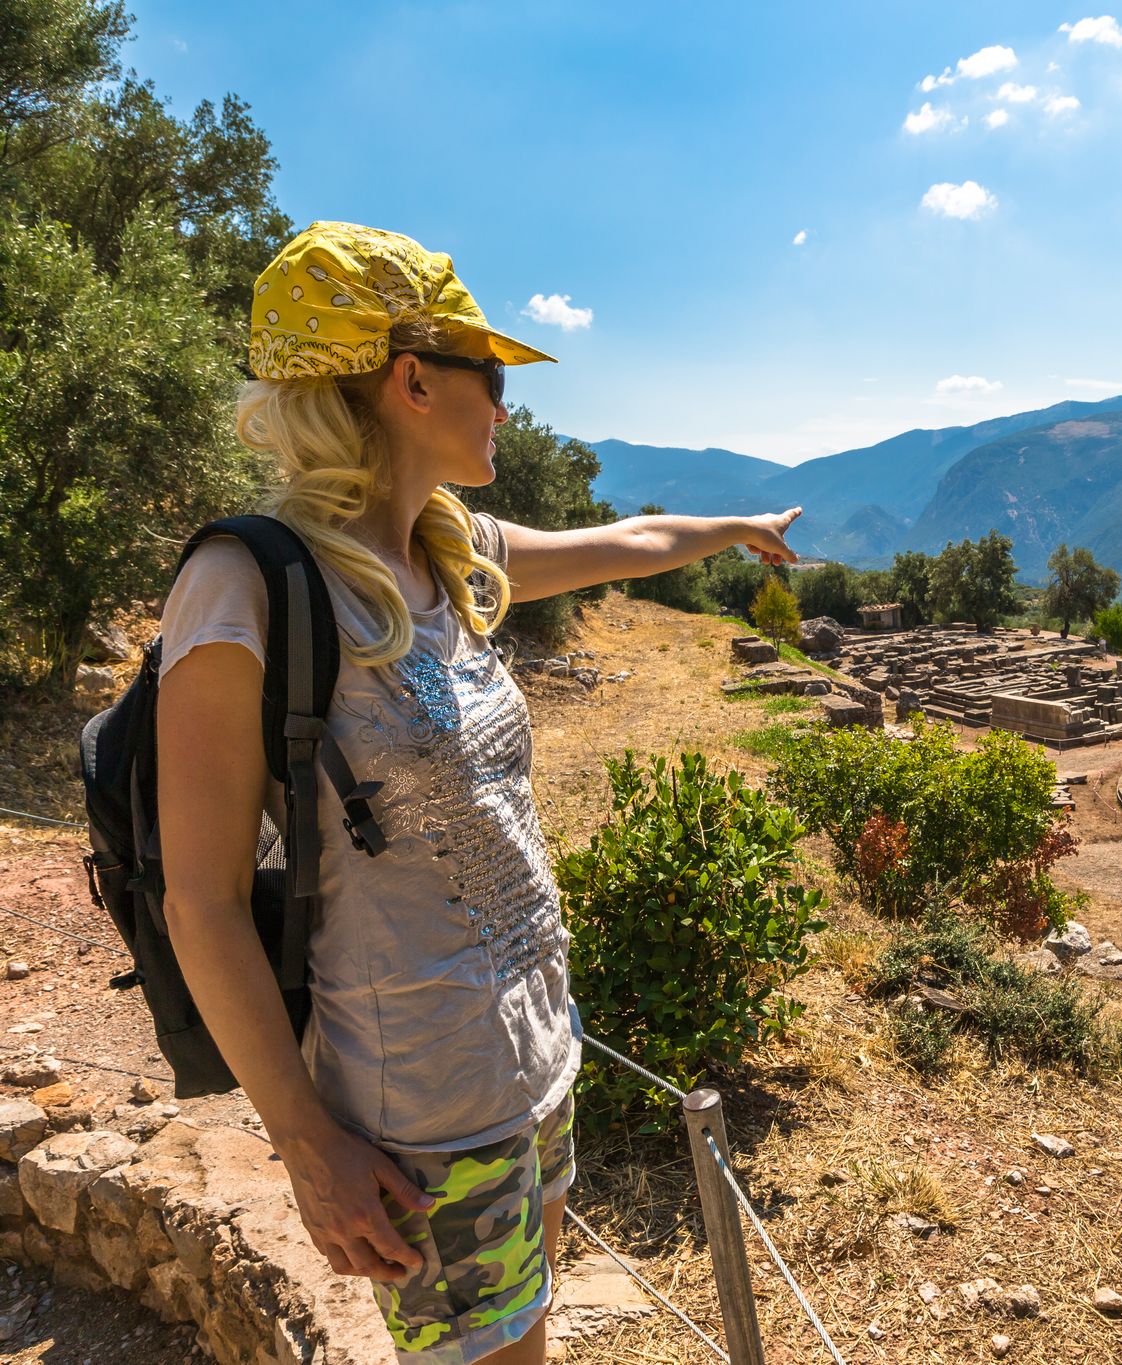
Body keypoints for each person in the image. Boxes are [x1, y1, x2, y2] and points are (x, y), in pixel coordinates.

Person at [155, 221, 798, 1364]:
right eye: (489, 377)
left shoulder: (448, 546)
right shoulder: (243, 585)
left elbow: (630, 537)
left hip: (541, 1051)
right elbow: (198, 901)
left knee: (533, 1327)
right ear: (409, 378)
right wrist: (305, 1143)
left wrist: (736, 528)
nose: (504, 407)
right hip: (423, 1110)